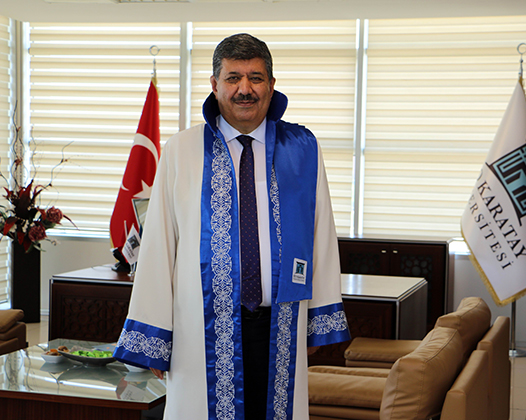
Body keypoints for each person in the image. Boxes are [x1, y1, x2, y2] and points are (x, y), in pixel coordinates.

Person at [113, 33, 351, 420]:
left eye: (256, 78)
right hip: (200, 329)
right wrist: (156, 334)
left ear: (271, 85)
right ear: (214, 84)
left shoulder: (302, 149)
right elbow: (159, 246)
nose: (245, 89)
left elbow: (320, 235)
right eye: (233, 78)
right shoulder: (181, 151)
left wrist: (317, 321)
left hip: (282, 325)